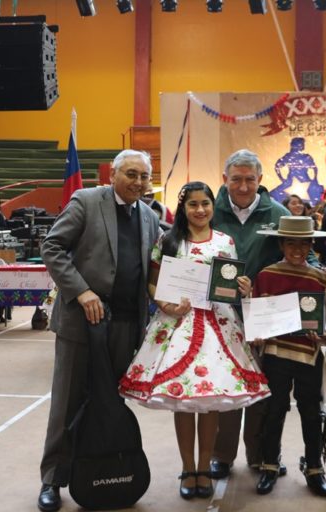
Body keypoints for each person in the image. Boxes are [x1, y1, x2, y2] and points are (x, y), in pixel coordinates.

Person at [118, 181, 269, 500]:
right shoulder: (169, 240)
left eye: (205, 204)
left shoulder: (225, 242)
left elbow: (229, 284)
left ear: (213, 206)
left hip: (218, 325)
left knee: (210, 400)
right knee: (183, 401)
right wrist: (164, 303)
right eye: (193, 204)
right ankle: (188, 468)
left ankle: (204, 467)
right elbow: (153, 282)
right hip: (177, 325)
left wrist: (243, 288)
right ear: (183, 208)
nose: (200, 210)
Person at [36, 149, 160, 512]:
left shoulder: (150, 217)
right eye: (131, 174)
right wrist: (82, 291)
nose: (138, 182)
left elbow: (157, 268)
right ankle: (53, 479)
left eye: (144, 176)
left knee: (110, 404)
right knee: (67, 402)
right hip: (81, 323)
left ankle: (104, 472)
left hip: (126, 326)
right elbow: (52, 247)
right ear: (112, 175)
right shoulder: (87, 202)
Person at [209, 149, 290, 480]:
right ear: (224, 179)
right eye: (236, 179)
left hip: (264, 315)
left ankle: (259, 455)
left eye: (250, 180)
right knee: (225, 386)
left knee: (260, 388)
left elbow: (301, 255)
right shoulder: (208, 211)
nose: (243, 187)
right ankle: (221, 455)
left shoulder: (279, 214)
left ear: (261, 180)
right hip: (219, 313)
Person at [253, 216, 326, 498]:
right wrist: (258, 333)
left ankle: (314, 467)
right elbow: (257, 314)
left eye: (304, 244)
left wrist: (324, 332)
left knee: (311, 411)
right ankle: (269, 464)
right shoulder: (266, 276)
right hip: (275, 354)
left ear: (311, 244)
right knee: (274, 409)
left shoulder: (322, 278)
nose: (297, 250)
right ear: (281, 244)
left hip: (308, 355)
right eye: (291, 243)